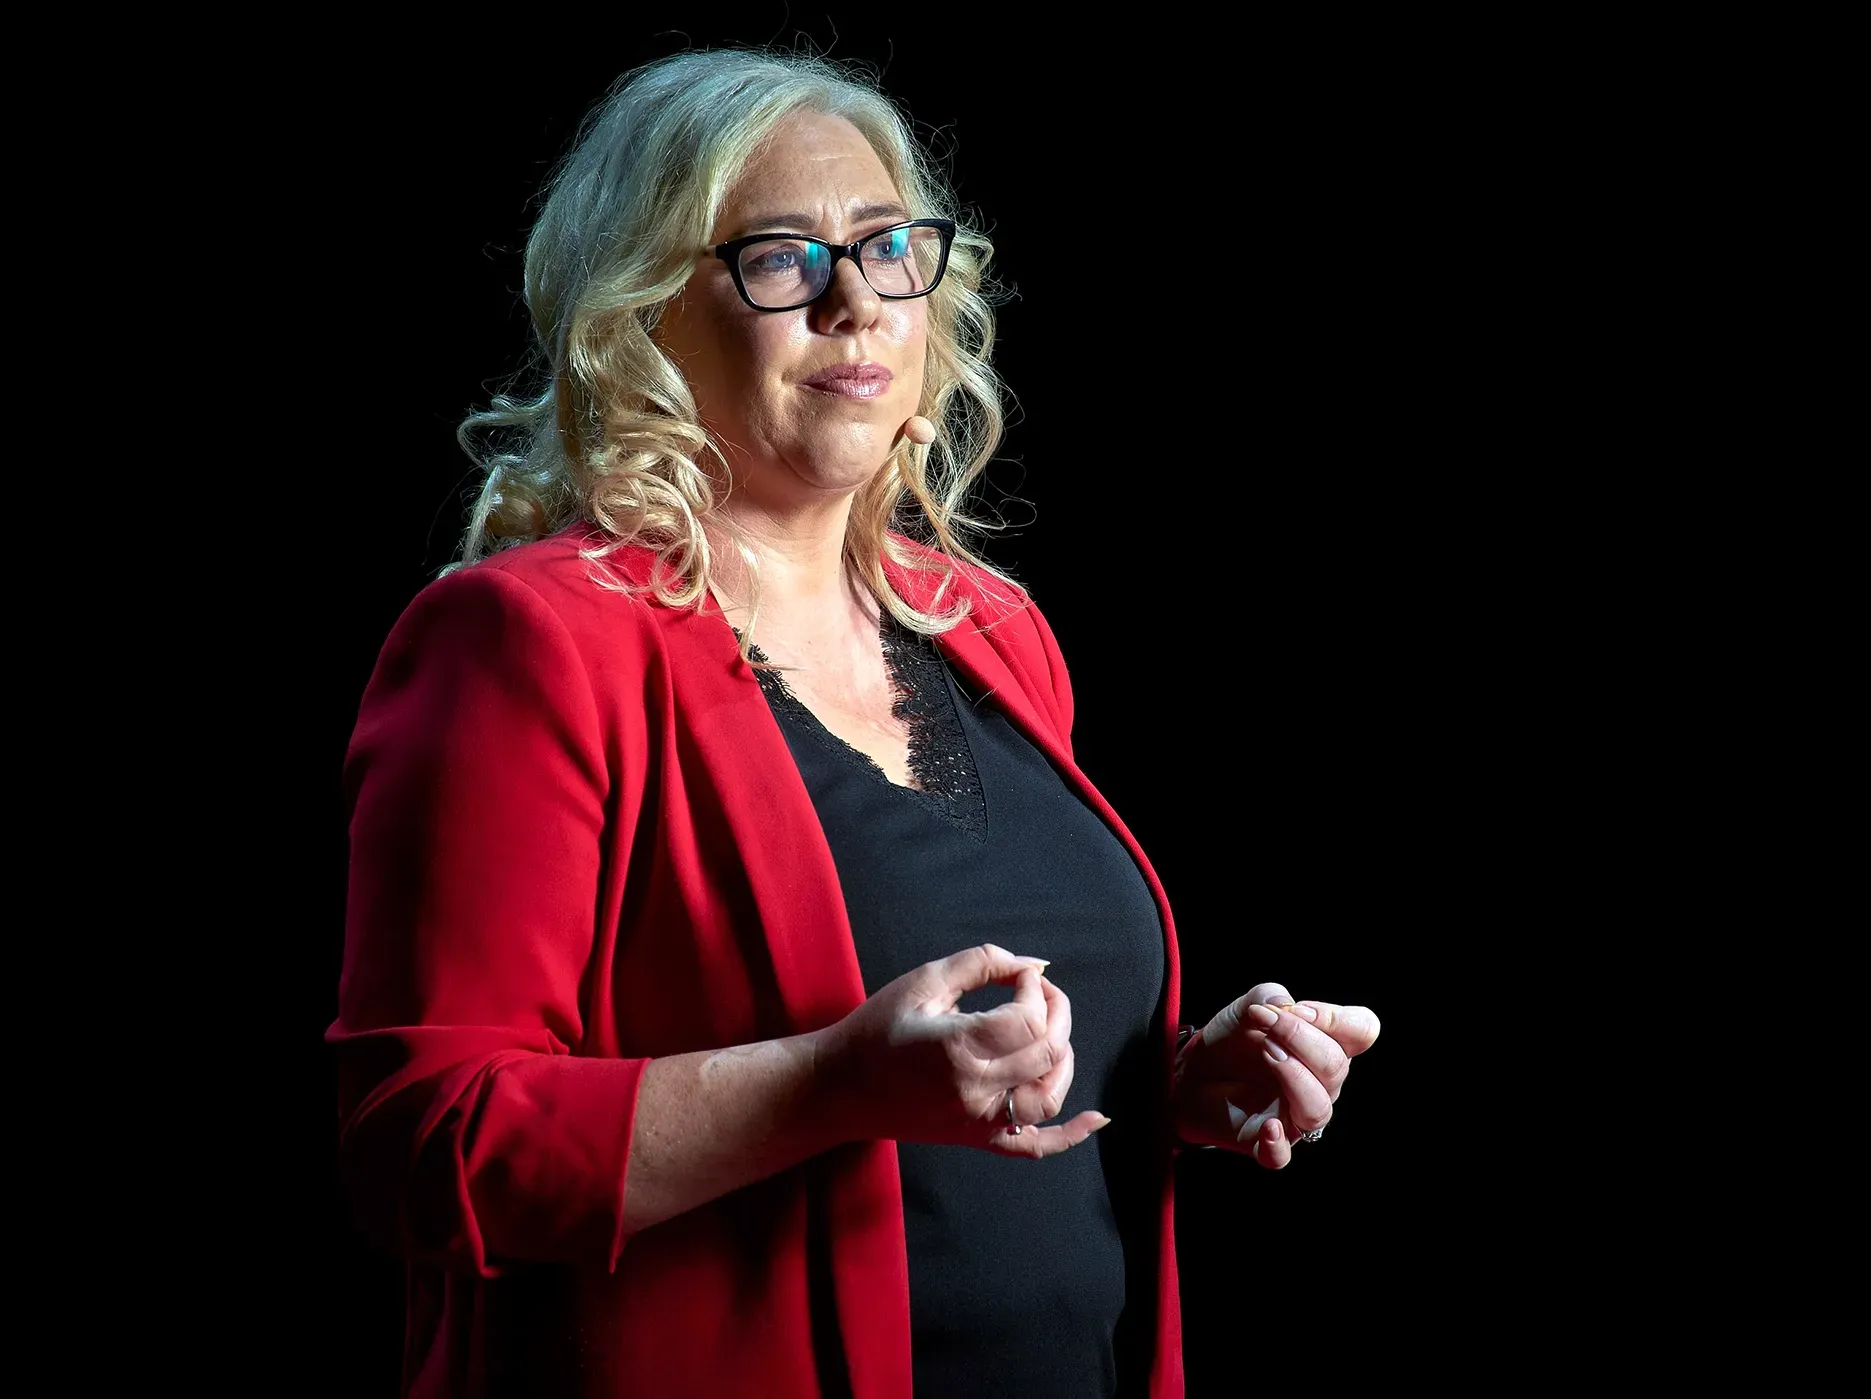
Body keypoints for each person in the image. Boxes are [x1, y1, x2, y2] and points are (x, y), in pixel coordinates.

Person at [329, 48, 1380, 1399]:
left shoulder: (989, 628)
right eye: (778, 257)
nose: (852, 301)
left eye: (890, 248)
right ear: (637, 312)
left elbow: (961, 1101)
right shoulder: (527, 640)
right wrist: (830, 1082)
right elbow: (419, 1143)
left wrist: (1169, 1083)